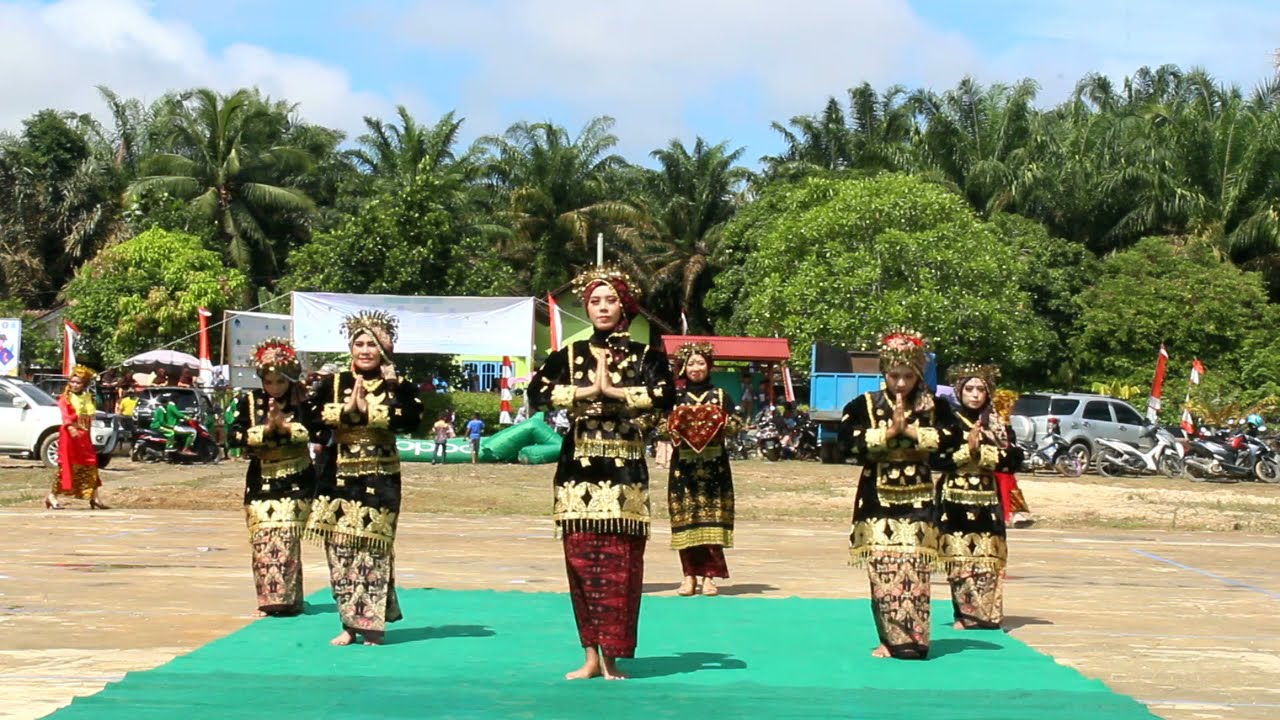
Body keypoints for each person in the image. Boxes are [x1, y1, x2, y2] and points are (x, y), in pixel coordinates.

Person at [528, 266, 674, 680]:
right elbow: (536, 391)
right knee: (579, 561)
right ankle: (590, 656)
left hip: (625, 470)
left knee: (621, 565)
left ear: (624, 304)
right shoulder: (571, 355)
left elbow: (666, 394)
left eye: (610, 299)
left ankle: (613, 656)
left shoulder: (646, 356)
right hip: (577, 472)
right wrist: (580, 393)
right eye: (594, 301)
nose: (603, 307)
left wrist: (615, 393)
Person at [306, 310, 422, 647]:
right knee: (340, 553)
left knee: (373, 551)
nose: (365, 350)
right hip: (336, 478)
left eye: (372, 344)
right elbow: (310, 418)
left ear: (384, 349)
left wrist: (367, 411)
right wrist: (344, 412)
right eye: (359, 343)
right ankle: (348, 623)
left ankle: (371, 625)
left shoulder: (399, 386)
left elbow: (411, 417)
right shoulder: (331, 383)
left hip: (381, 480)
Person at [840, 330, 949, 660]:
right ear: (883, 373)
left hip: (918, 501)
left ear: (918, 375)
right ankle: (890, 639)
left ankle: (915, 640)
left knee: (915, 570)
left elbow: (951, 441)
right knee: (884, 571)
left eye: (907, 376)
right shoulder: (863, 405)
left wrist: (913, 432)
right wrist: (888, 433)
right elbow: (847, 441)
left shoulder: (935, 407)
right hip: (877, 500)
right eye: (894, 376)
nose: (901, 384)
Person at [228, 339, 315, 617]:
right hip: (260, 480)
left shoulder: (303, 402)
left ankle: (289, 600)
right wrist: (264, 432)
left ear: (289, 379)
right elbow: (233, 436)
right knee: (262, 539)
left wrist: (286, 430)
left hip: (296, 478)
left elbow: (317, 430)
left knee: (287, 539)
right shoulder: (249, 401)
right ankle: (269, 600)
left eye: (279, 381)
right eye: (269, 381)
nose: (274, 388)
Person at [936, 364, 1021, 631]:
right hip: (954, 499)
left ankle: (987, 615)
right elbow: (936, 458)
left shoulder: (997, 422)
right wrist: (966, 451)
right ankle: (965, 614)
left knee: (988, 557)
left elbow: (1014, 460)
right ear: (959, 391)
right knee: (960, 559)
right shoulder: (948, 421)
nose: (975, 395)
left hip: (987, 498)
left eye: (981, 389)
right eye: (969, 389)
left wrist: (984, 451)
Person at [664, 342, 738, 597]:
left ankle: (710, 576)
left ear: (709, 365)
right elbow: (661, 427)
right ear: (683, 367)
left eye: (701, 363)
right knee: (687, 519)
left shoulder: (720, 395)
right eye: (691, 363)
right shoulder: (675, 397)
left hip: (714, 465)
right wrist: (675, 425)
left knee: (712, 518)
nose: (696, 368)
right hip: (683, 467)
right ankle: (688, 576)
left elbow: (737, 424)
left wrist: (720, 423)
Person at [47, 365, 109, 510]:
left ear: (84, 384)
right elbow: (65, 415)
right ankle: (52, 496)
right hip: (69, 436)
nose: (74, 385)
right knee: (67, 465)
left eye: (78, 383)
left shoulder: (88, 397)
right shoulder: (65, 398)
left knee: (91, 464)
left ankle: (95, 497)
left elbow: (91, 416)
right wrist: (70, 427)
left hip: (84, 436)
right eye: (72, 382)